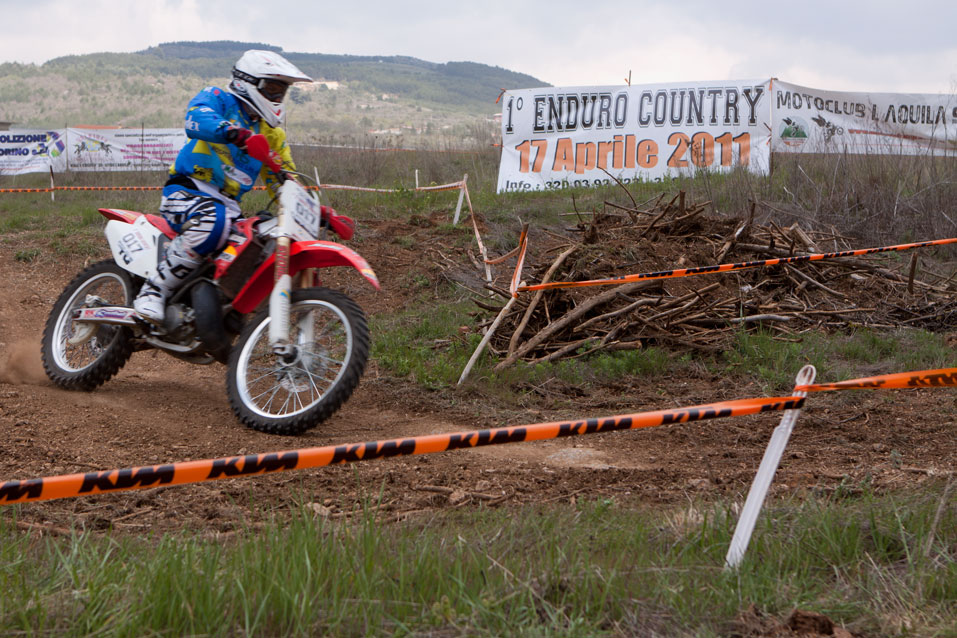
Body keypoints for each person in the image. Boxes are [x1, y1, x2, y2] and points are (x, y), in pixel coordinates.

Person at [133, 49, 312, 323]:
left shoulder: (271, 134)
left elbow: (284, 178)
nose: (277, 97)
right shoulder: (218, 98)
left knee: (258, 242)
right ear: (247, 81)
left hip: (229, 206)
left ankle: (220, 310)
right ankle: (153, 290)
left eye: (282, 92)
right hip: (188, 191)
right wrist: (233, 132)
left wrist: (312, 208)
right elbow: (196, 118)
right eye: (272, 89)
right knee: (211, 222)